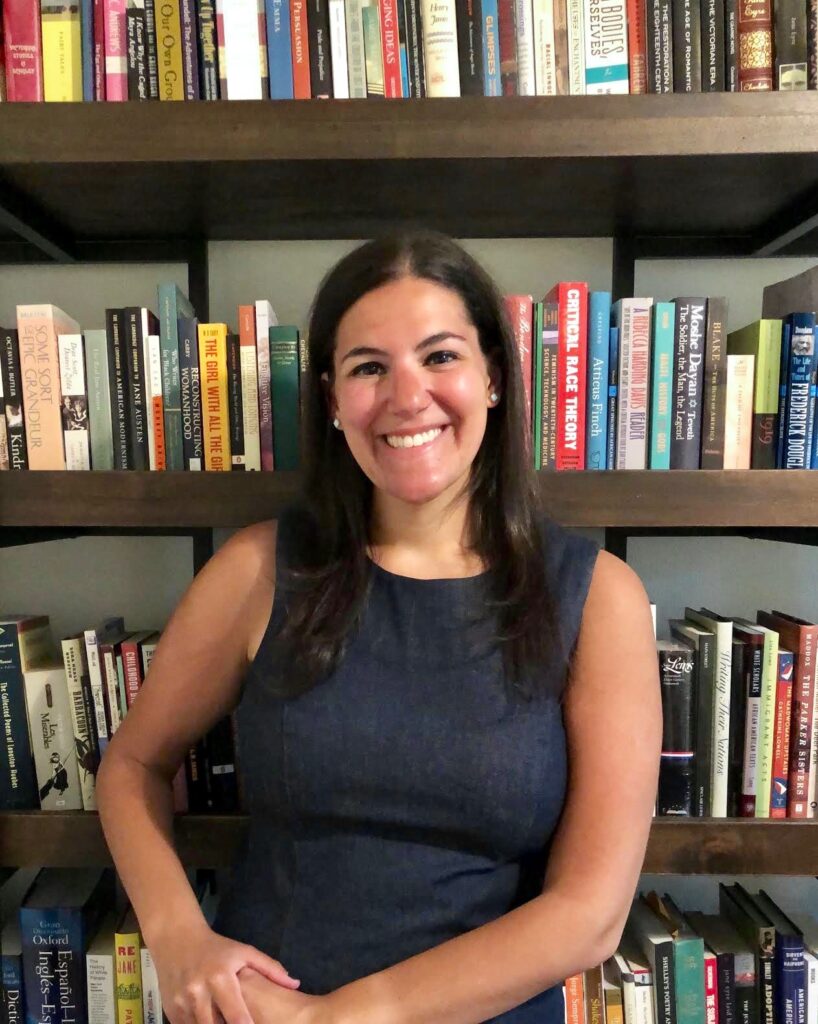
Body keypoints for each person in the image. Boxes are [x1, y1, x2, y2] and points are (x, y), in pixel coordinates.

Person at [97, 231, 661, 1024]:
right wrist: (178, 937)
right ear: (331, 399)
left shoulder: (598, 599)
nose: (406, 397)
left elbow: (590, 914)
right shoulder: (259, 571)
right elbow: (132, 766)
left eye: (439, 357)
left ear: (493, 377)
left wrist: (345, 1017)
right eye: (369, 367)